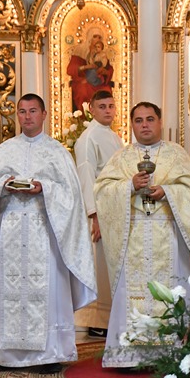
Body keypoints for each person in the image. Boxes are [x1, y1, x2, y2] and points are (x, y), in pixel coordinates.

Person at [0, 94, 96, 374]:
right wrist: (2, 185)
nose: (27, 116)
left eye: (33, 111)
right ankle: (8, 355)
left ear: (44, 114)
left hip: (46, 233)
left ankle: (49, 354)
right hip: (9, 233)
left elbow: (71, 197)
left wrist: (45, 188)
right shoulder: (4, 151)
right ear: (17, 115)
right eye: (22, 111)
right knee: (8, 291)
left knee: (48, 291)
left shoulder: (57, 152)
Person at [94, 101, 190, 368]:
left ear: (159, 122)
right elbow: (102, 191)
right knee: (132, 293)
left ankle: (174, 356)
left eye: (149, 119)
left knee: (172, 290)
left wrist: (167, 191)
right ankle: (129, 358)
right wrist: (129, 186)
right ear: (132, 125)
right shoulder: (122, 157)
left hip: (168, 235)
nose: (144, 125)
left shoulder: (176, 154)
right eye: (138, 120)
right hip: (133, 236)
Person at [74, 90, 124, 338]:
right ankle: (97, 320)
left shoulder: (113, 136)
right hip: (99, 212)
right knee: (100, 266)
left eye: (111, 106)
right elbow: (86, 176)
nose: (108, 110)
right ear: (91, 110)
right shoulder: (88, 138)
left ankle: (111, 317)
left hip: (115, 208)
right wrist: (94, 215)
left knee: (112, 265)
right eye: (102, 106)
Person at [67, 27, 114, 112]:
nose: (97, 39)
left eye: (99, 37)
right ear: (89, 37)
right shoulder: (80, 50)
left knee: (106, 92)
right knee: (83, 92)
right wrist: (85, 67)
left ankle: (102, 116)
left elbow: (108, 69)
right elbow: (71, 69)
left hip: (99, 81)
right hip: (82, 81)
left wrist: (106, 72)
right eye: (95, 36)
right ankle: (84, 117)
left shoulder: (102, 54)